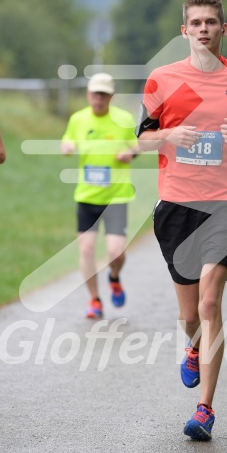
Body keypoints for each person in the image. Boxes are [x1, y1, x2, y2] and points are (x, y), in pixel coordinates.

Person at [136, 0, 227, 440]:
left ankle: (204, 409)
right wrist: (171, 135)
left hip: (224, 204)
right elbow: (142, 141)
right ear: (183, 30)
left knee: (211, 304)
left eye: (211, 22)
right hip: (176, 206)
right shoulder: (162, 79)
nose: (204, 29)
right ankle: (192, 347)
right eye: (196, 23)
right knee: (190, 315)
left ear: (223, 29)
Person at [61, 72, 139, 318]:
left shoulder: (124, 119)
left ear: (111, 96)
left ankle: (114, 277)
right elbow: (67, 141)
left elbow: (137, 144)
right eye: (95, 93)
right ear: (88, 94)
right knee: (86, 249)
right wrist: (67, 146)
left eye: (104, 94)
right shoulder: (78, 119)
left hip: (117, 196)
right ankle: (94, 299)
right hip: (87, 196)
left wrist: (130, 154)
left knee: (116, 252)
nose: (99, 98)